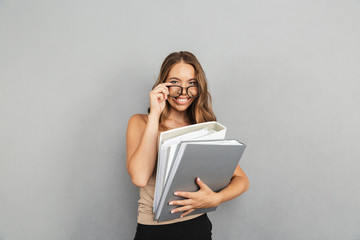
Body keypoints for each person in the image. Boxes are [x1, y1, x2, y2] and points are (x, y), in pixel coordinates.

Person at [126, 51, 250, 240]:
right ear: (163, 85)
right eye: (175, 82)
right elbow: (140, 178)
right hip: (153, 231)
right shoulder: (140, 122)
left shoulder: (203, 129)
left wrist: (216, 198)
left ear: (199, 87)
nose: (183, 92)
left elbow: (242, 180)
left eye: (191, 83)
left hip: (197, 227)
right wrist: (155, 116)